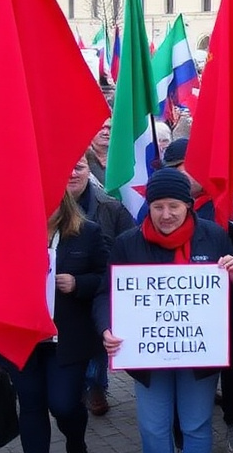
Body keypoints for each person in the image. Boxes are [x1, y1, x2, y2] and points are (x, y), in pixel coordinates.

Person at [96, 168, 233, 453]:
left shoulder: (213, 236)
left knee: (196, 425)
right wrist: (106, 327)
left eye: (173, 206)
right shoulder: (129, 243)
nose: (166, 215)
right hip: (148, 357)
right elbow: (105, 293)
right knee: (153, 427)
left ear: (188, 205)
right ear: (148, 206)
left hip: (201, 355)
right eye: (157, 206)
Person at [3, 193, 108, 453]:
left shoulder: (87, 233)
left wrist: (78, 283)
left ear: (63, 201)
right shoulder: (10, 233)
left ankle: (76, 442)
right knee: (30, 404)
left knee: (63, 404)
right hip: (23, 337)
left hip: (67, 338)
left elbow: (107, 278)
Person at [65, 153, 135, 417]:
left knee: (98, 339)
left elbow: (129, 243)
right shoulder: (43, 206)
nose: (72, 173)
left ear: (88, 171)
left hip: (102, 287)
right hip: (64, 294)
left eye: (79, 167)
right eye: (66, 168)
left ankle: (96, 385)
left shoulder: (110, 206)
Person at [85, 119, 111, 186]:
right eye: (100, 128)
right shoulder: (80, 158)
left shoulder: (125, 161)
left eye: (110, 128)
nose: (105, 133)